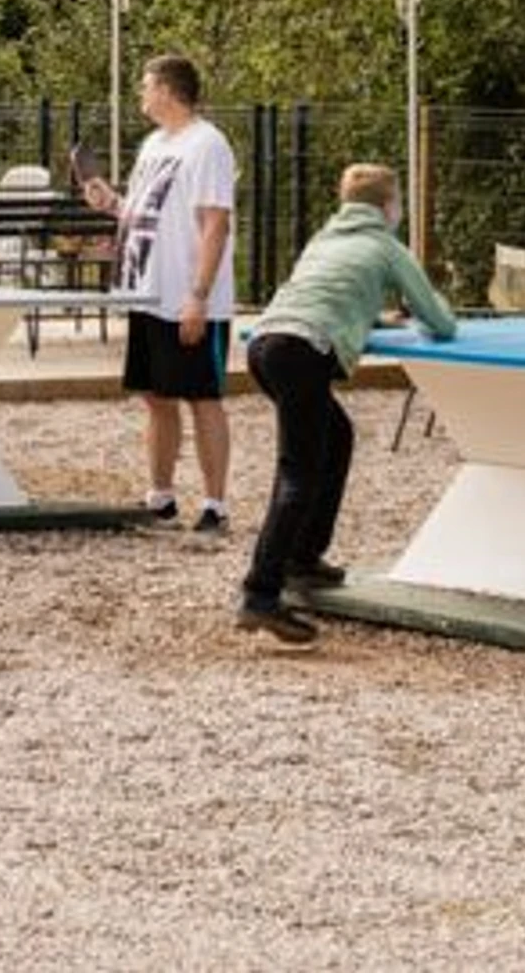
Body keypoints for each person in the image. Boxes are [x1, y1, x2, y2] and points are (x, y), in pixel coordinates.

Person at [235, 162, 457, 647]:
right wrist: (429, 314)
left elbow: (327, 295)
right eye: (398, 202)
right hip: (303, 351)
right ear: (389, 206)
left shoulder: (324, 239)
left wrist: (368, 318)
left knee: (336, 437)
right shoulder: (386, 246)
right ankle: (260, 594)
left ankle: (303, 558)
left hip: (266, 345)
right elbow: (440, 322)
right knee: (298, 473)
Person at [82, 52, 236, 533]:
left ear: (167, 90)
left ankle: (215, 504)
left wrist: (199, 296)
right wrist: (112, 204)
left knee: (202, 397)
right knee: (155, 396)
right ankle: (162, 496)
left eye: (146, 86)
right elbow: (145, 212)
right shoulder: (152, 144)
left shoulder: (208, 143)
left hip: (187, 297)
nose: (141, 95)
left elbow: (216, 224)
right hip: (148, 293)